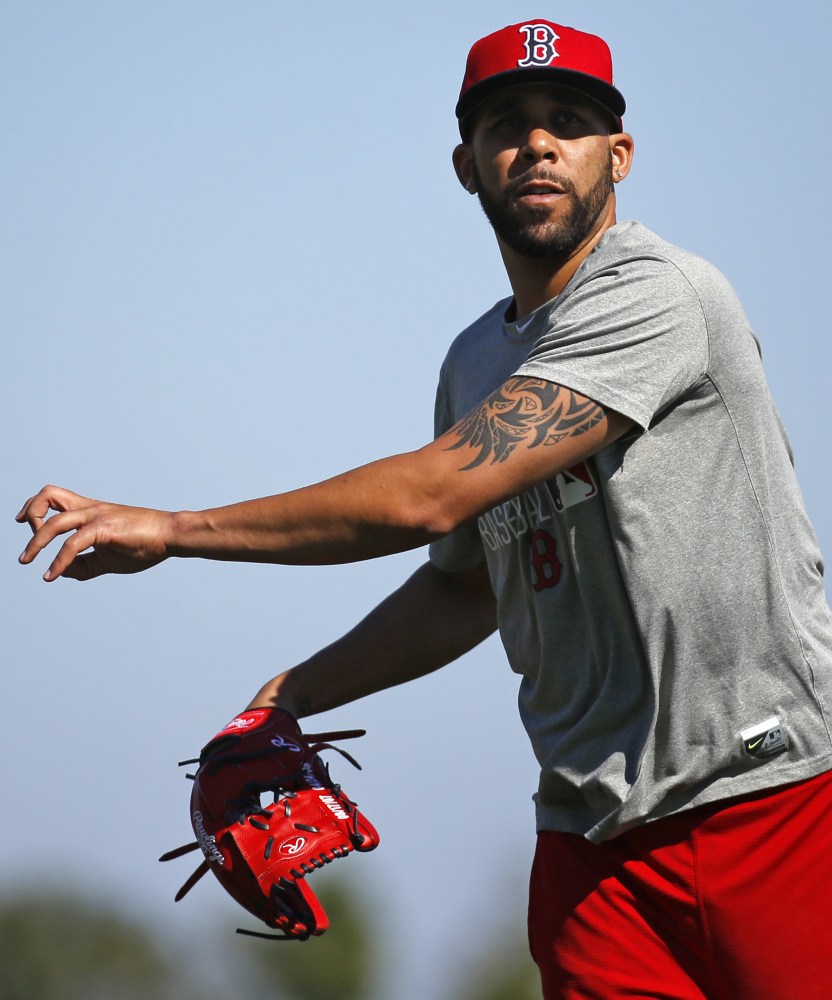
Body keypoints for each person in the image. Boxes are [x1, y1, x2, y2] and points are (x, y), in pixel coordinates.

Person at [16, 19, 832, 999]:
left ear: (617, 156)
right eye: (506, 122)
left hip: (775, 805)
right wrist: (289, 696)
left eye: (566, 121)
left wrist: (178, 528)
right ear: (465, 164)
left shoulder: (660, 295)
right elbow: (467, 582)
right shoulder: (475, 364)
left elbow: (430, 491)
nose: (535, 142)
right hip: (591, 854)